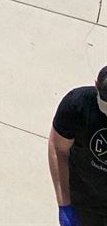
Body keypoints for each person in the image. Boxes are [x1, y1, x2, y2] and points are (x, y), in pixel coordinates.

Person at [48, 66, 107, 226]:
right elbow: (59, 150)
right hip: (84, 201)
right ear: (96, 85)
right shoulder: (77, 105)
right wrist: (64, 205)